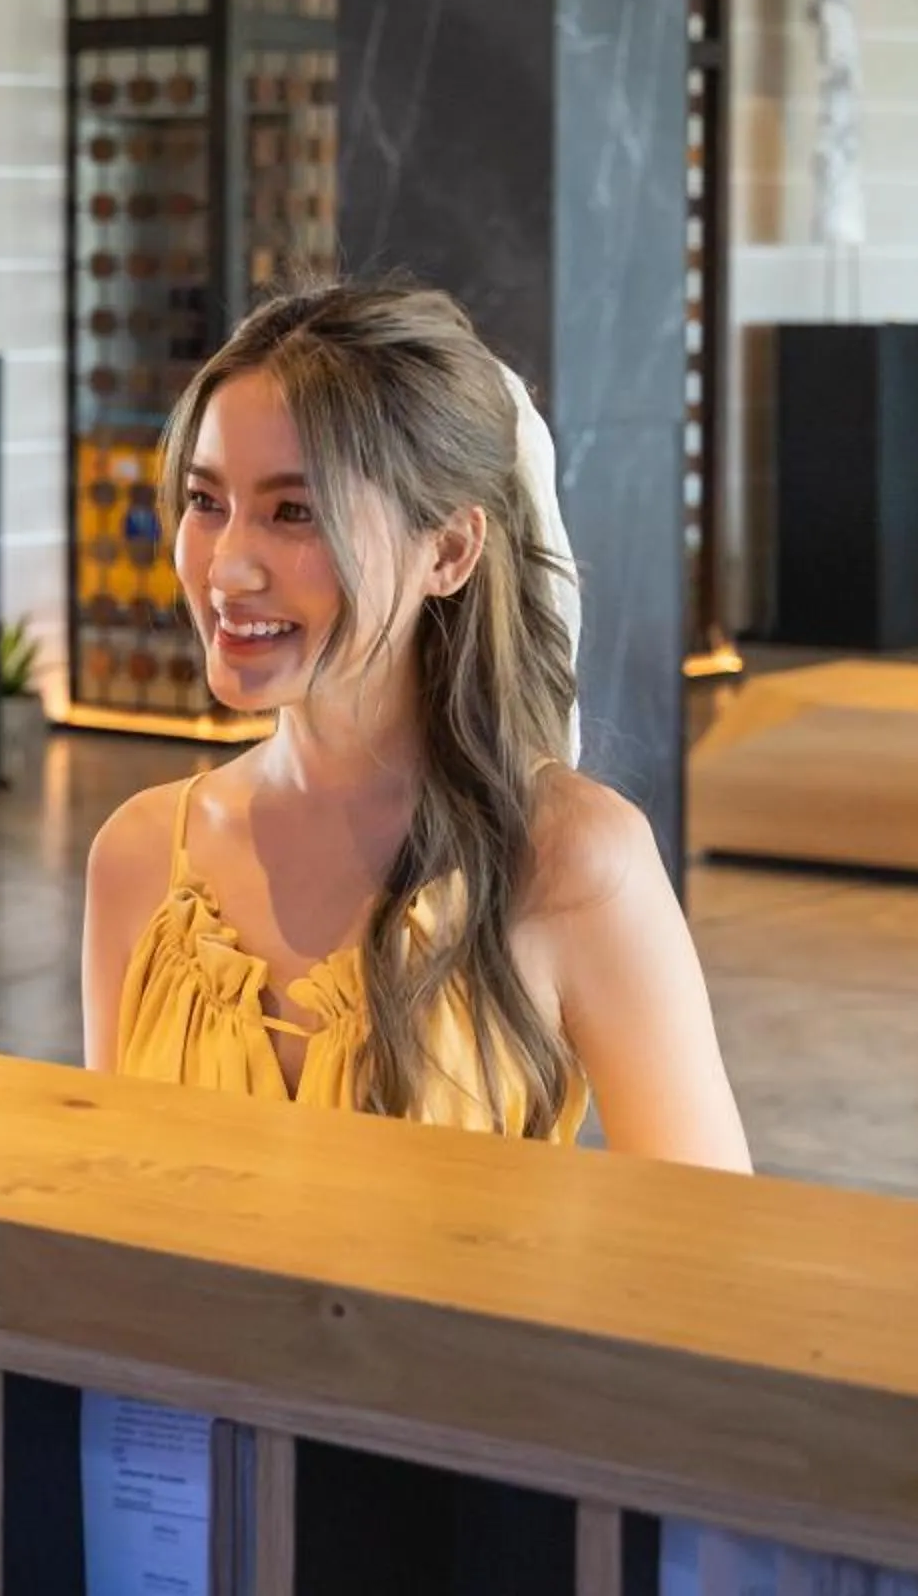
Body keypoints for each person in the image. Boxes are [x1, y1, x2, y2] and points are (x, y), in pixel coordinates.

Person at [79, 281, 749, 1167]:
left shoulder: (572, 864)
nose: (228, 568)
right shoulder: (138, 859)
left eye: (295, 511)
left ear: (449, 551)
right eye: (207, 501)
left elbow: (704, 1250)